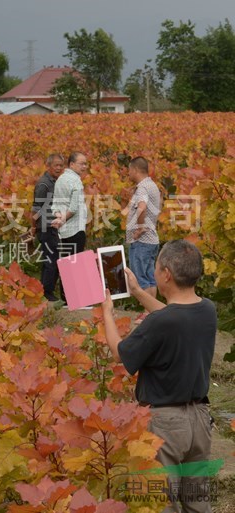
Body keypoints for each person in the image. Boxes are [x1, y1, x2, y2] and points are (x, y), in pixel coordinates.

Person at [101, 240, 216, 513]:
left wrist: (106, 313)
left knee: (160, 503)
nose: (153, 272)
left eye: (155, 267)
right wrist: (140, 293)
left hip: (165, 425)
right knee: (198, 502)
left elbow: (120, 354)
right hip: (200, 421)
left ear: (166, 275)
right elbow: (174, 315)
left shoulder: (160, 323)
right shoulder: (207, 310)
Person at [125, 156, 162, 323]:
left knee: (141, 277)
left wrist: (139, 228)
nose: (128, 173)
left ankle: (147, 313)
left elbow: (142, 208)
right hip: (151, 240)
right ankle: (152, 311)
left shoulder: (142, 188)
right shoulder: (152, 185)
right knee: (149, 276)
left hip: (142, 241)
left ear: (135, 170)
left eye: (129, 170)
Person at [51, 151, 88, 303]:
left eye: (86, 163)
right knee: (75, 265)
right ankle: (77, 300)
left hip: (63, 231)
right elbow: (73, 208)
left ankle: (66, 300)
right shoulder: (76, 182)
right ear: (72, 164)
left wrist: (59, 220)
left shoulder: (60, 179)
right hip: (75, 228)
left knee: (66, 263)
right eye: (81, 163)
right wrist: (63, 220)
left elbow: (56, 204)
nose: (84, 167)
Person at [31, 154, 65, 302]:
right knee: (52, 259)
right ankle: (47, 292)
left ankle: (44, 290)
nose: (58, 168)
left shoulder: (55, 182)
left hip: (52, 226)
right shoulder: (44, 184)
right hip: (45, 227)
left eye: (60, 165)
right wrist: (34, 227)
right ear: (48, 166)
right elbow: (35, 208)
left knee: (49, 258)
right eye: (55, 165)